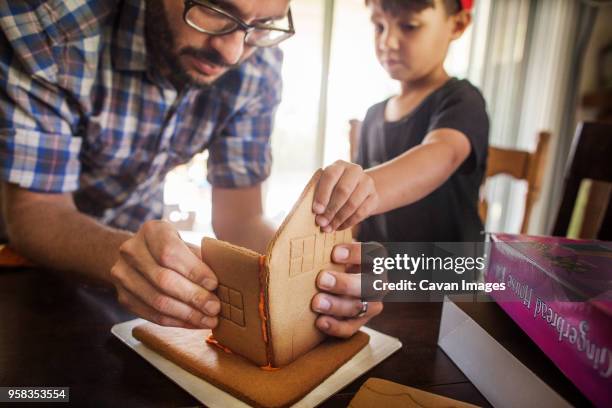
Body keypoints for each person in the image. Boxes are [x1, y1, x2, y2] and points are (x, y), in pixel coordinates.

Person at [0, 0, 381, 338]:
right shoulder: (52, 28)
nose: (232, 53)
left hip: (137, 270)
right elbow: (35, 211)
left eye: (262, 24)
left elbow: (240, 218)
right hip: (20, 266)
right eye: (215, 10)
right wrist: (120, 254)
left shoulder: (258, 60)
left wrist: (314, 279)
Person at [312, 0, 489, 243]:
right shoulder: (373, 115)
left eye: (409, 26)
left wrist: (363, 191)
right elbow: (360, 225)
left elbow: (442, 153)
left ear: (457, 25)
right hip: (383, 272)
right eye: (379, 26)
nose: (387, 42)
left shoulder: (462, 100)